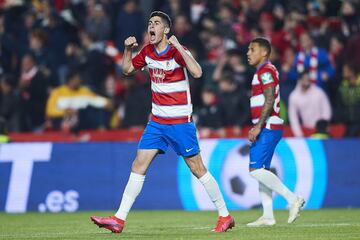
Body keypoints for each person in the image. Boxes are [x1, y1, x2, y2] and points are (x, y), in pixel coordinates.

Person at [90, 11, 234, 234]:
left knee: (197, 168)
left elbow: (197, 72)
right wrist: (128, 50)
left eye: (156, 23)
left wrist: (180, 48)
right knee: (139, 163)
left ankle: (225, 215)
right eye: (150, 23)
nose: (152, 26)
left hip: (179, 122)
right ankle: (119, 219)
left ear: (166, 30)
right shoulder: (147, 51)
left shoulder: (176, 52)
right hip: (157, 121)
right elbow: (127, 70)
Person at [246, 37, 305, 227]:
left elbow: (270, 99)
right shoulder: (264, 71)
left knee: (255, 170)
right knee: (261, 170)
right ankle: (268, 215)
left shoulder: (265, 71)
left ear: (264, 52)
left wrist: (258, 126)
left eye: (252, 49)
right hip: (268, 125)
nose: (248, 53)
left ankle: (292, 198)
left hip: (268, 125)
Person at [288, 70, 332, 137]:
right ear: (299, 80)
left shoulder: (319, 92)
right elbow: (293, 117)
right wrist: (299, 134)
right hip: (305, 130)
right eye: (304, 79)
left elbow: (327, 110)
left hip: (321, 131)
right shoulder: (294, 96)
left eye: (308, 78)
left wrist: (323, 127)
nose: (306, 81)